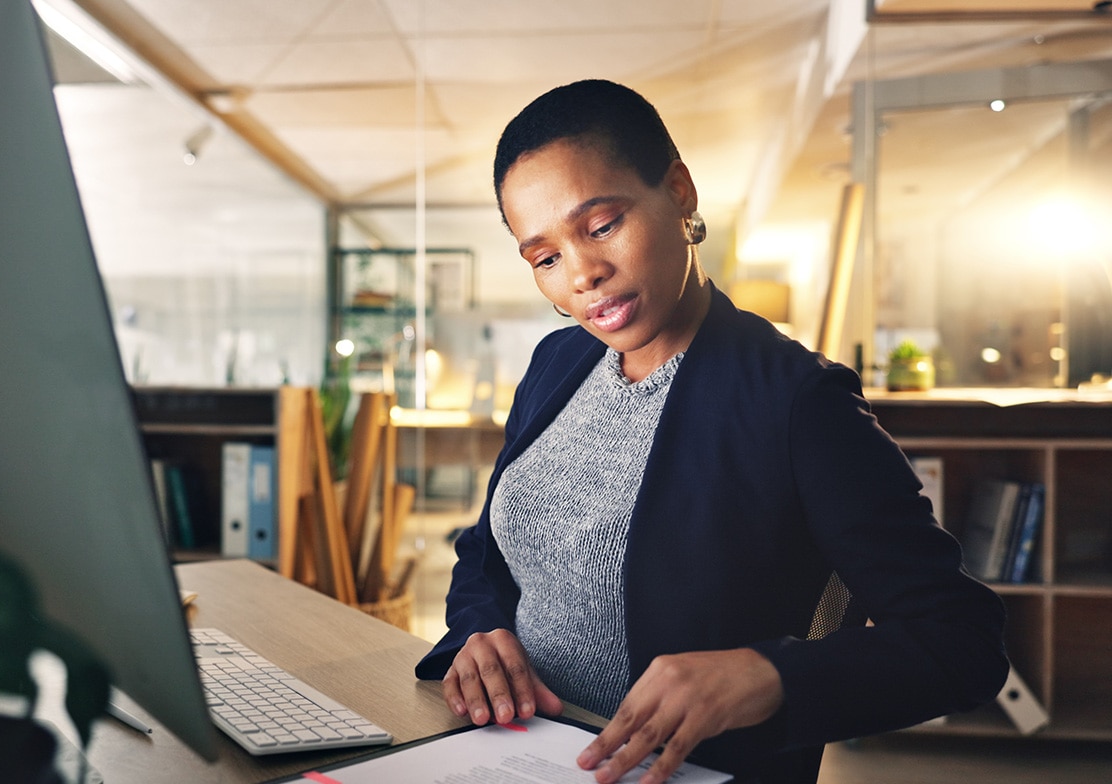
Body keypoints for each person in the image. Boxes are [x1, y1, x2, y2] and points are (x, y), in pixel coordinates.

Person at [414, 79, 1008, 784]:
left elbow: (962, 643)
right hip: (511, 755)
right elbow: (487, 553)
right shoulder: (557, 362)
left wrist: (769, 674)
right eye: (545, 258)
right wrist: (480, 633)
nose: (584, 275)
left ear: (680, 192)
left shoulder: (797, 401)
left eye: (601, 226)